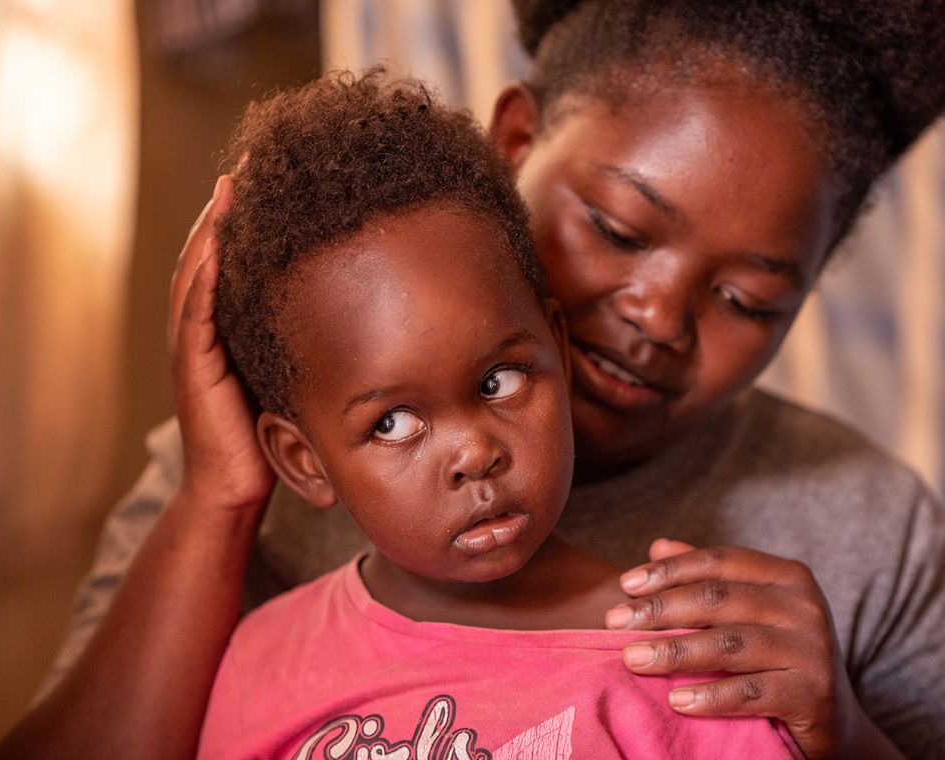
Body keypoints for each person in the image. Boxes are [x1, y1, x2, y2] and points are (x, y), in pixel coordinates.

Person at [0, 1, 945, 759]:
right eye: (616, 230)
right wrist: (216, 501)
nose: (657, 320)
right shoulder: (234, 475)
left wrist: (841, 727)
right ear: (517, 141)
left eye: (748, 298)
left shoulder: (863, 522)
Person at [193, 69, 801, 759]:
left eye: (499, 380)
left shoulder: (683, 670)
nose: (474, 452)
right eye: (393, 423)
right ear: (304, 461)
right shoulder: (263, 659)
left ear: (558, 352)